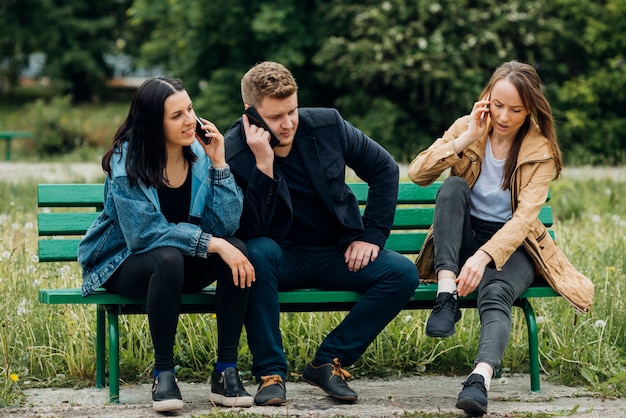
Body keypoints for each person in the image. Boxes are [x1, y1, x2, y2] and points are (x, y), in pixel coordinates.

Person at [224, 61, 419, 406]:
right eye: (275, 117)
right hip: (280, 259)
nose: (287, 124)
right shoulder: (235, 152)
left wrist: (371, 236)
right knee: (257, 252)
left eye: (292, 111)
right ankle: (271, 374)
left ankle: (329, 361)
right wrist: (264, 166)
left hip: (336, 252)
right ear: (250, 112)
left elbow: (385, 169)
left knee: (402, 273)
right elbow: (250, 230)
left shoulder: (329, 125)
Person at [408, 61, 594, 416]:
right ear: (486, 99)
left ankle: (480, 379)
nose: (504, 116)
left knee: (495, 292)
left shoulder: (540, 150)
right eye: (497, 105)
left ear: (530, 109)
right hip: (466, 235)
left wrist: (483, 257)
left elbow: (524, 219)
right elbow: (418, 174)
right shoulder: (468, 126)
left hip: (516, 246)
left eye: (516, 109)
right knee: (451, 187)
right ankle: (445, 295)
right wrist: (465, 139)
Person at [77, 76, 256, 412]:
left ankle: (225, 370)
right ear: (152, 123)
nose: (190, 120)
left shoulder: (199, 156)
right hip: (124, 263)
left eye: (190, 109)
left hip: (176, 262)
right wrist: (214, 244)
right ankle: (163, 373)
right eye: (176, 115)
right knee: (170, 257)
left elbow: (226, 224)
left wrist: (219, 162)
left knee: (237, 251)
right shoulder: (125, 162)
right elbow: (144, 233)